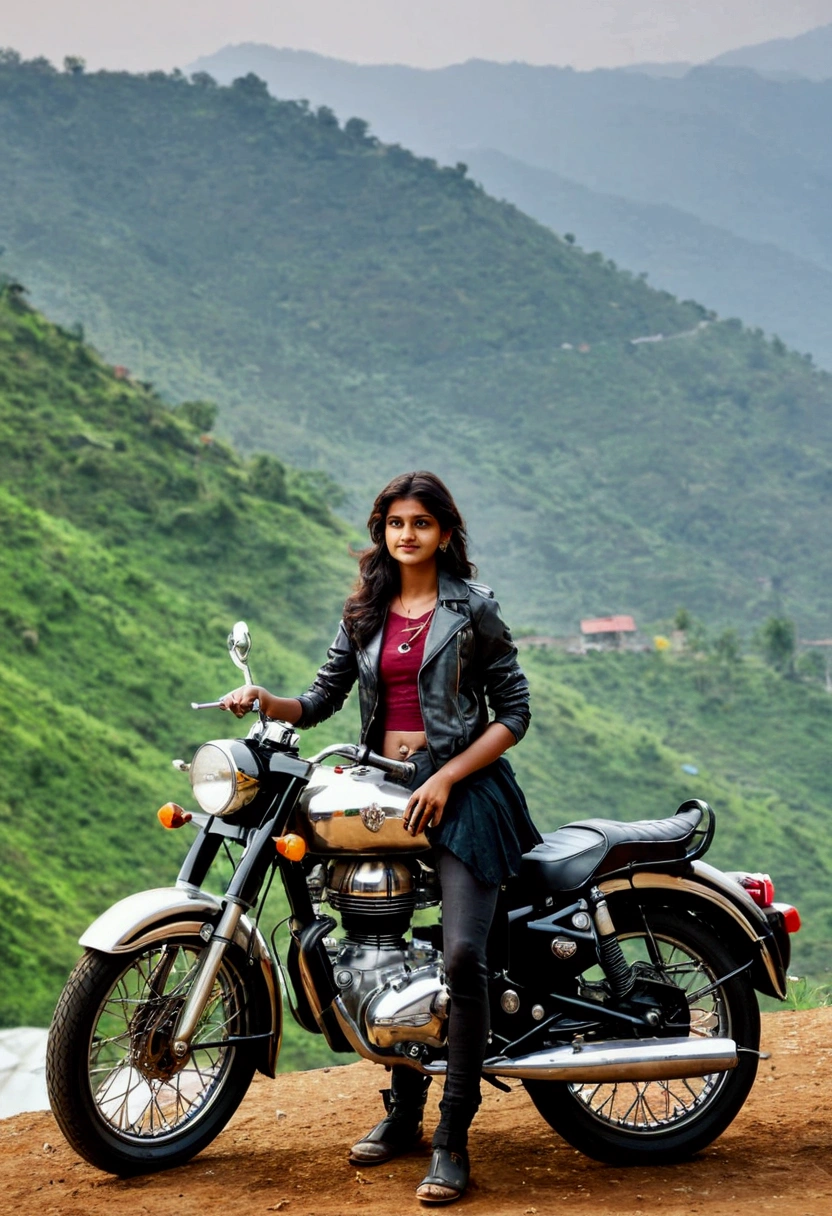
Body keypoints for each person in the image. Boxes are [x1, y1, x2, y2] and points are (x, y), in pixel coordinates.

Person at [221, 470, 541, 1204]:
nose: (407, 535)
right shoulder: (367, 610)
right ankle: (402, 1113)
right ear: (382, 532)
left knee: (461, 954)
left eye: (420, 523)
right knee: (393, 950)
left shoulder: (474, 612)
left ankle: (453, 1136)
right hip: (382, 792)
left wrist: (445, 776)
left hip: (462, 795)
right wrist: (264, 699)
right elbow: (321, 697)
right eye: (395, 523)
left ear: (445, 533)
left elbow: (514, 714)